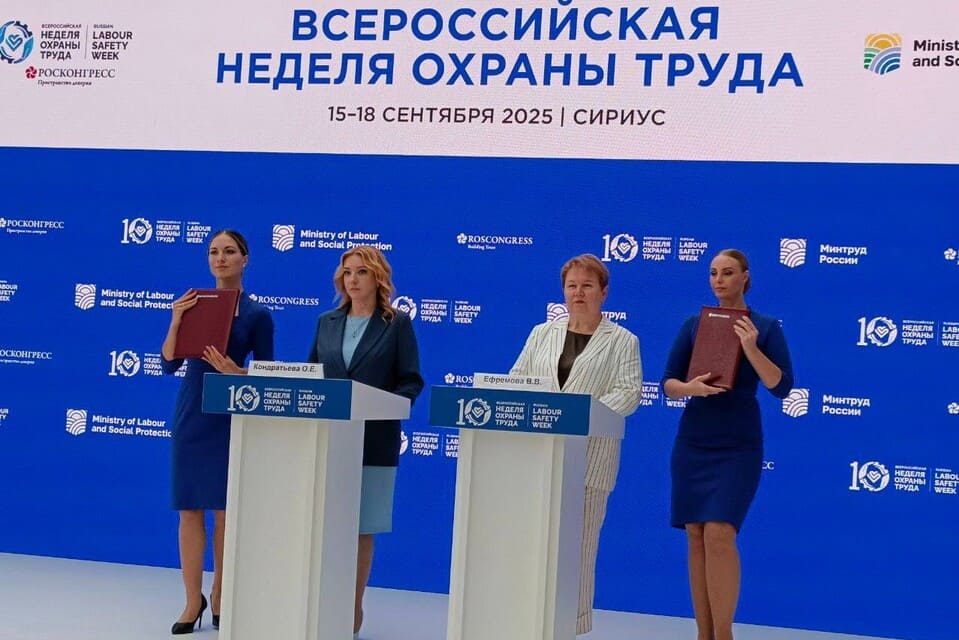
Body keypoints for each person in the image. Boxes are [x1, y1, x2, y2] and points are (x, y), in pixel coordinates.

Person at [661, 249, 793, 640]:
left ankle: (724, 634)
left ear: (745, 277)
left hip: (738, 444)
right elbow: (668, 383)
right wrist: (691, 388)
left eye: (728, 273)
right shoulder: (693, 324)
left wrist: (751, 348)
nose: (719, 280)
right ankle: (704, 635)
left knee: (719, 532)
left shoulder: (765, 327)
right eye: (714, 273)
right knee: (696, 535)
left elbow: (782, 387)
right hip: (694, 440)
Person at [509, 254, 642, 635]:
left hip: (590, 463)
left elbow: (629, 393)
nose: (578, 293)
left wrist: (581, 417)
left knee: (577, 554)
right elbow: (518, 379)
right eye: (572, 286)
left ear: (604, 292)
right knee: (533, 550)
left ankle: (571, 627)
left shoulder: (623, 341)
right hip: (539, 459)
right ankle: (528, 625)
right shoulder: (542, 333)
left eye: (587, 285)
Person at [305, 245, 424, 638]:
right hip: (328, 442)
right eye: (347, 272)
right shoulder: (326, 322)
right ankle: (321, 605)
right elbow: (311, 375)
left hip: (374, 440)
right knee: (325, 525)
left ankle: (352, 607)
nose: (353, 279)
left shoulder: (396, 324)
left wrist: (384, 406)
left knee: (360, 527)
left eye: (361, 272)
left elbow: (410, 381)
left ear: (378, 278)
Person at [161, 229, 274, 634]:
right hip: (192, 412)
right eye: (213, 251)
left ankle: (222, 593)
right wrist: (176, 320)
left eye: (229, 251)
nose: (220, 258)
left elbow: (267, 373)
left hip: (229, 414)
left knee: (226, 512)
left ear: (245, 259)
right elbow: (169, 363)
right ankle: (193, 600)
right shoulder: (192, 302)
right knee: (189, 509)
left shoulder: (258, 314)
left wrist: (236, 372)